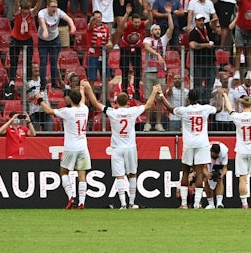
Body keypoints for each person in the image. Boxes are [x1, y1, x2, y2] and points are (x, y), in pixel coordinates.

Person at [86, 84, 163, 210]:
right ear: (128, 102)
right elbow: (148, 105)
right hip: (130, 147)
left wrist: (89, 88)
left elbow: (95, 103)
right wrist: (154, 91)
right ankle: (132, 203)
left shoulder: (112, 112)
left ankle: (123, 204)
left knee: (119, 176)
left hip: (117, 148)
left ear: (116, 102)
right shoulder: (132, 111)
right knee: (132, 174)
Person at [160, 87, 218, 210]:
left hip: (189, 143)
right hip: (202, 143)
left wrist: (161, 95)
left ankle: (184, 203)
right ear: (198, 98)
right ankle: (197, 203)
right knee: (199, 173)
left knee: (185, 172)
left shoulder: (184, 110)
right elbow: (219, 109)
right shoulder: (205, 108)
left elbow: (170, 108)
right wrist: (222, 96)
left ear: (188, 99)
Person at [37, 81, 92, 209]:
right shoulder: (85, 109)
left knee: (64, 172)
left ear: (70, 99)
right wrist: (82, 89)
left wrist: (40, 100)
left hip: (70, 147)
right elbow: (82, 100)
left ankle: (71, 196)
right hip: (83, 146)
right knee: (82, 175)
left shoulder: (68, 111)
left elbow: (49, 111)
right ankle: (82, 202)